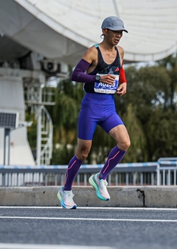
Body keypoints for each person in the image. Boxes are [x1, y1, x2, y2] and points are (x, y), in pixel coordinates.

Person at [57, 16, 130, 209]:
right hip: (91, 107)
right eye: (115, 32)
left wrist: (123, 83)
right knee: (82, 153)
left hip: (108, 107)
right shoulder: (93, 52)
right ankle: (66, 191)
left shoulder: (120, 51)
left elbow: (120, 70)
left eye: (121, 33)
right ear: (105, 31)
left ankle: (100, 178)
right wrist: (98, 77)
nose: (118, 36)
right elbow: (75, 75)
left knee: (124, 143)